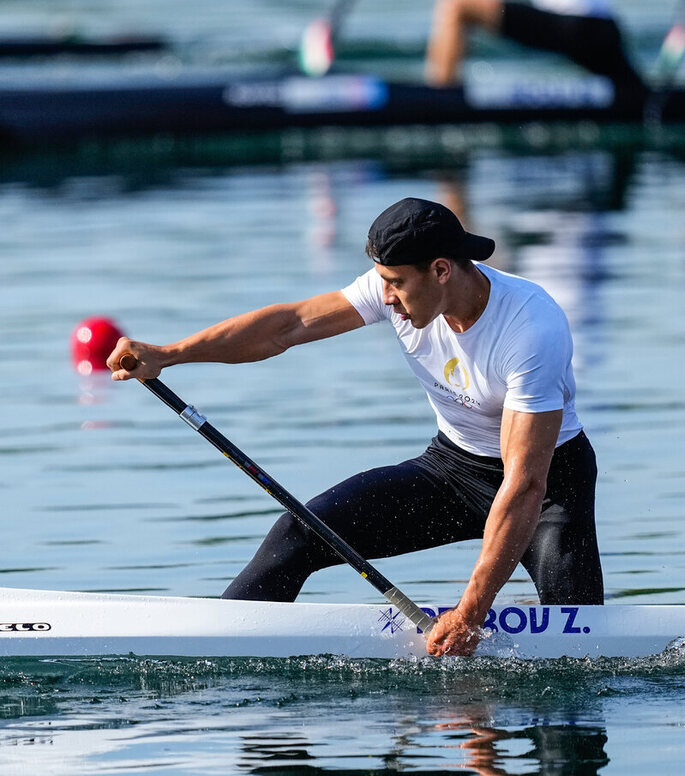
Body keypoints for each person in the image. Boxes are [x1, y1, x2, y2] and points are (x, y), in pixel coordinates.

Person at [108, 197, 604, 657]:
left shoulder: (530, 328)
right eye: (382, 280)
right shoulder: (401, 287)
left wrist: (470, 611)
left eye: (396, 283)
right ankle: (214, 655)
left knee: (580, 647)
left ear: (441, 270)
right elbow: (289, 326)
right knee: (296, 536)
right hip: (452, 470)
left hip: (548, 490)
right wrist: (171, 355)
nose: (385, 296)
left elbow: (524, 484)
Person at [424, 0, 646, 96]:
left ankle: (439, 98)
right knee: (636, 96)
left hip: (579, 25)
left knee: (456, 6)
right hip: (594, 29)